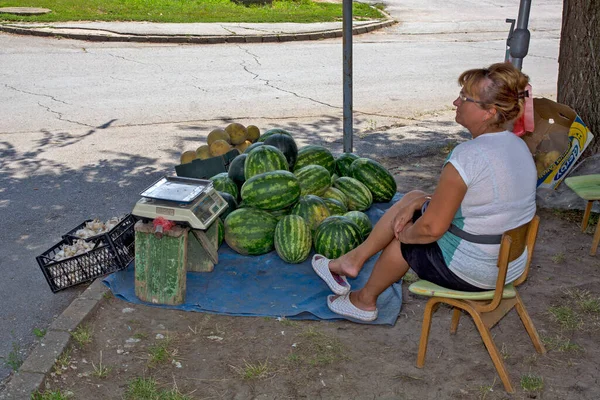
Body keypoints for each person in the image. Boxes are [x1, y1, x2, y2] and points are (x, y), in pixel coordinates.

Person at [312, 62, 537, 322]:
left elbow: (431, 229)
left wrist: (404, 233)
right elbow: (481, 200)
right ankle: (353, 260)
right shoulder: (518, 146)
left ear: (489, 112)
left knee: (409, 234)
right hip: (509, 264)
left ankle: (364, 301)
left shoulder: (467, 156)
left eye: (464, 97)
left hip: (477, 271)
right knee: (414, 197)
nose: (455, 102)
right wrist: (418, 202)